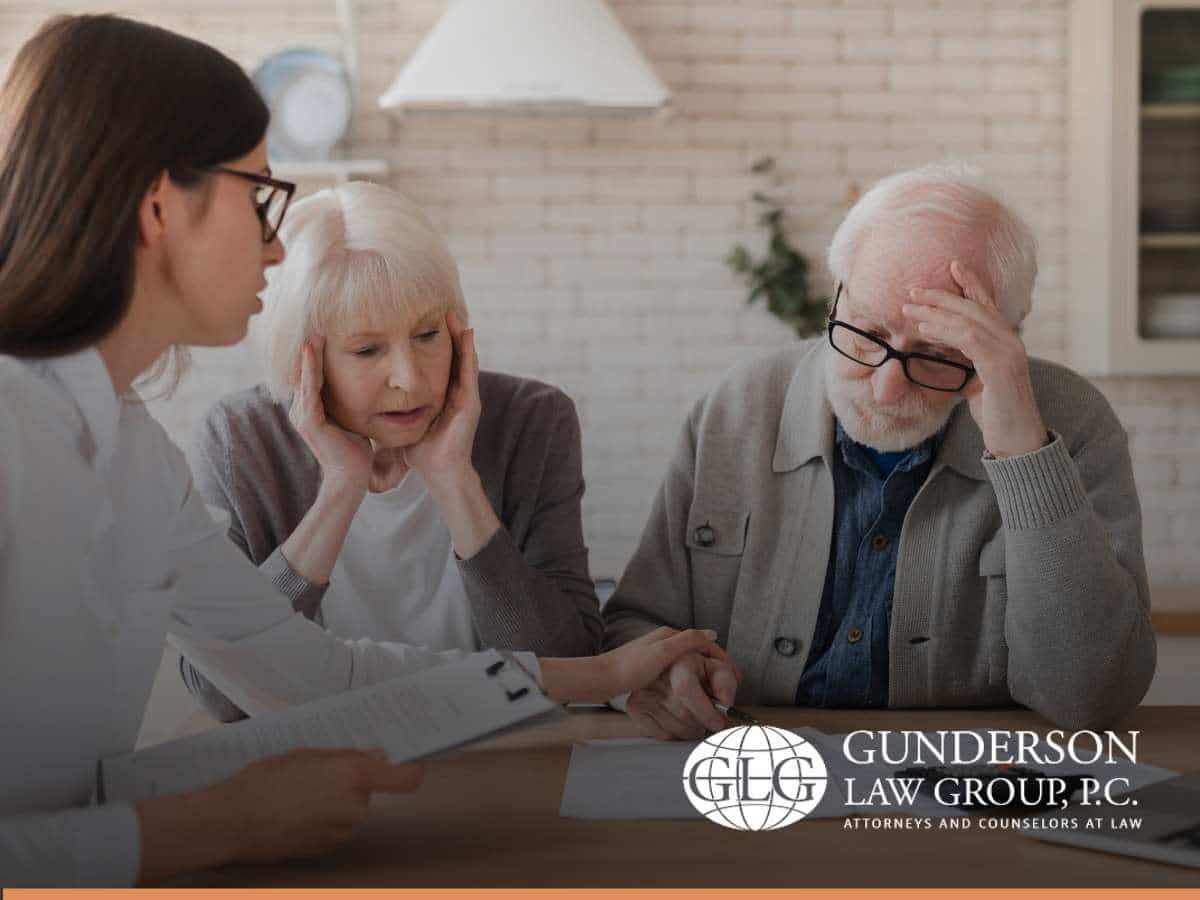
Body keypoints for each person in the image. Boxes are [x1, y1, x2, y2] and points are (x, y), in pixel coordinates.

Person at [0, 14, 728, 887]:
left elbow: (309, 673)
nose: (277, 244)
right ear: (160, 205)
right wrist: (196, 830)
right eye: (259, 196)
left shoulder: (131, 451)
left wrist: (601, 671)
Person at [604, 162, 1156, 736]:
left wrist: (1024, 453)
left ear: (1003, 336)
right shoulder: (739, 406)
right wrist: (661, 674)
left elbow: (1094, 697)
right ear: (837, 292)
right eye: (865, 334)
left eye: (937, 354)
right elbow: (632, 626)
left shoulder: (1074, 422)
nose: (889, 389)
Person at [179, 182, 601, 722]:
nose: (409, 379)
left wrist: (454, 480)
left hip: (502, 748)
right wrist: (340, 487)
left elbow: (572, 665)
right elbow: (219, 694)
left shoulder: (533, 420)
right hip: (318, 761)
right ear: (301, 362)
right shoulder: (240, 441)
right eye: (367, 349)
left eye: (427, 334)